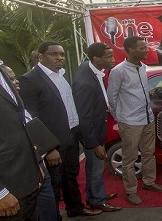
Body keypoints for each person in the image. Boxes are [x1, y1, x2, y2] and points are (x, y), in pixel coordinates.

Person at [18, 41, 102, 219]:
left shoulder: (60, 76)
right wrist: (47, 148)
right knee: (53, 183)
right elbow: (30, 118)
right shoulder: (30, 79)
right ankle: (53, 216)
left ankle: (75, 208)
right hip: (52, 143)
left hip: (71, 136)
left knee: (70, 176)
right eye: (54, 54)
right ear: (40, 56)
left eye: (62, 54)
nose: (59, 58)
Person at [107, 36, 162, 205]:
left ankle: (149, 182)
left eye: (146, 47)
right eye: (142, 48)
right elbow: (112, 98)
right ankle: (131, 191)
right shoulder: (118, 71)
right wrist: (121, 118)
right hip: (130, 121)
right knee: (129, 158)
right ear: (131, 50)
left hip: (147, 118)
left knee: (149, 153)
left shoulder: (143, 68)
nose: (147, 50)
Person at [0, 64, 58, 221]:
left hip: (28, 178)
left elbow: (21, 125)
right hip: (8, 188)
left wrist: (36, 163)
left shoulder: (3, 73)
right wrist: (1, 193)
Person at [72, 43, 121, 212]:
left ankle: (97, 193)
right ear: (96, 58)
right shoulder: (84, 82)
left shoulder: (91, 69)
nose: (113, 59)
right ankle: (96, 200)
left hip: (98, 128)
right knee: (95, 168)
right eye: (108, 57)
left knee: (96, 167)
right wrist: (94, 144)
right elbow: (84, 117)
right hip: (92, 134)